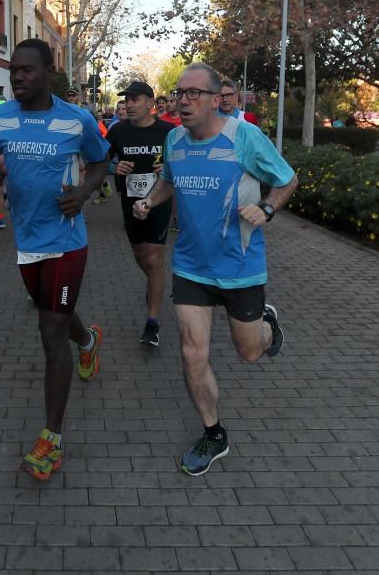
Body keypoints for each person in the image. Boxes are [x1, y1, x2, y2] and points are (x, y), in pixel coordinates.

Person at [132, 63, 297, 476]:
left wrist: (266, 208)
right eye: (178, 92)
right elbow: (169, 180)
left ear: (213, 98)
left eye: (192, 94)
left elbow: (287, 179)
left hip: (240, 267)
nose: (182, 101)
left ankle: (265, 323)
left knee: (249, 353)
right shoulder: (174, 139)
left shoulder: (244, 137)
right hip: (190, 266)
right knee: (191, 353)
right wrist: (151, 201)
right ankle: (213, 433)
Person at [0, 39, 109, 481]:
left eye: (27, 70)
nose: (18, 77)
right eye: (14, 70)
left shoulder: (76, 120)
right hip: (26, 241)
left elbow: (101, 163)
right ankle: (88, 341)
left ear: (49, 72)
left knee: (50, 330)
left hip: (68, 241)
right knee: (57, 315)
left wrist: (85, 193)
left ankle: (53, 436)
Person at [107, 81, 177, 346]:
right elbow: (100, 161)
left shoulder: (169, 132)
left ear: (150, 103)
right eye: (126, 100)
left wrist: (168, 169)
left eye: (135, 99)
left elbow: (183, 163)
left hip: (158, 202)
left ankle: (152, 322)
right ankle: (156, 285)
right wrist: (115, 167)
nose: (129, 104)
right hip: (130, 202)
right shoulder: (118, 131)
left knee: (154, 256)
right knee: (140, 255)